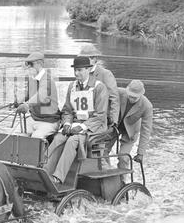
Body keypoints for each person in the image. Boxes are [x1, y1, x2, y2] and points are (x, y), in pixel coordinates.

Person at [43, 56, 109, 184]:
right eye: (75, 70)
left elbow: (100, 115)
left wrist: (83, 127)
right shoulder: (72, 86)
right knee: (59, 138)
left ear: (88, 70)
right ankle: (45, 170)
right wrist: (67, 123)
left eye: (80, 70)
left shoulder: (99, 87)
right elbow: (67, 110)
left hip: (93, 127)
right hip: (75, 124)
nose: (76, 73)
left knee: (72, 141)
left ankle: (58, 177)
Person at [109, 80, 153, 172]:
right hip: (114, 127)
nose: (131, 99)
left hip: (130, 132)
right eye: (130, 96)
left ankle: (122, 181)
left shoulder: (147, 106)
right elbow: (102, 91)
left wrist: (140, 153)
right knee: (102, 152)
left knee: (123, 158)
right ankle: (105, 177)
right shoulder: (119, 92)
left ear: (141, 95)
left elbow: (146, 131)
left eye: (135, 97)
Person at [15, 52, 61, 139]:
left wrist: (27, 105)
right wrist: (19, 101)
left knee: (36, 137)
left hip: (49, 121)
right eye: (27, 64)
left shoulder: (47, 80)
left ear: (40, 63)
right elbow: (28, 95)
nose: (28, 67)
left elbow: (41, 96)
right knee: (16, 134)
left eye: (31, 64)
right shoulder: (32, 78)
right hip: (34, 118)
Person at [78, 45, 119, 126]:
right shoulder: (80, 74)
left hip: (100, 118)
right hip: (83, 116)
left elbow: (114, 98)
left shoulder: (105, 74)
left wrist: (113, 121)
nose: (84, 61)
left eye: (89, 58)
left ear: (94, 59)